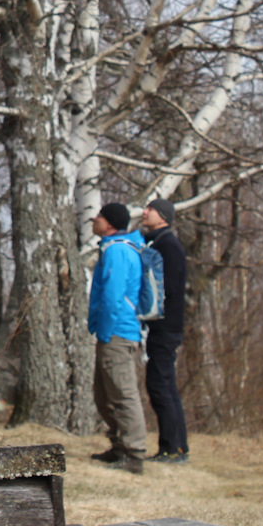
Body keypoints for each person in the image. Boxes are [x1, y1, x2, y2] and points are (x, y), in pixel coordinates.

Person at [88, 201, 148, 473]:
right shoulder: (115, 248)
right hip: (112, 332)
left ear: (110, 223)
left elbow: (113, 296)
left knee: (122, 394)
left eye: (98, 216)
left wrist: (105, 330)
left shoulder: (117, 250)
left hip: (117, 332)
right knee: (104, 394)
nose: (94, 219)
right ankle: (119, 446)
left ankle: (134, 454)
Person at [140, 198, 190, 464]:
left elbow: (167, 289)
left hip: (165, 328)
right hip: (166, 327)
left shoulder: (167, 246)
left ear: (164, 217)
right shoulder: (162, 243)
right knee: (166, 385)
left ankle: (171, 450)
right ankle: (178, 448)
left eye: (151, 209)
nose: (145, 212)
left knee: (160, 386)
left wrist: (148, 310)